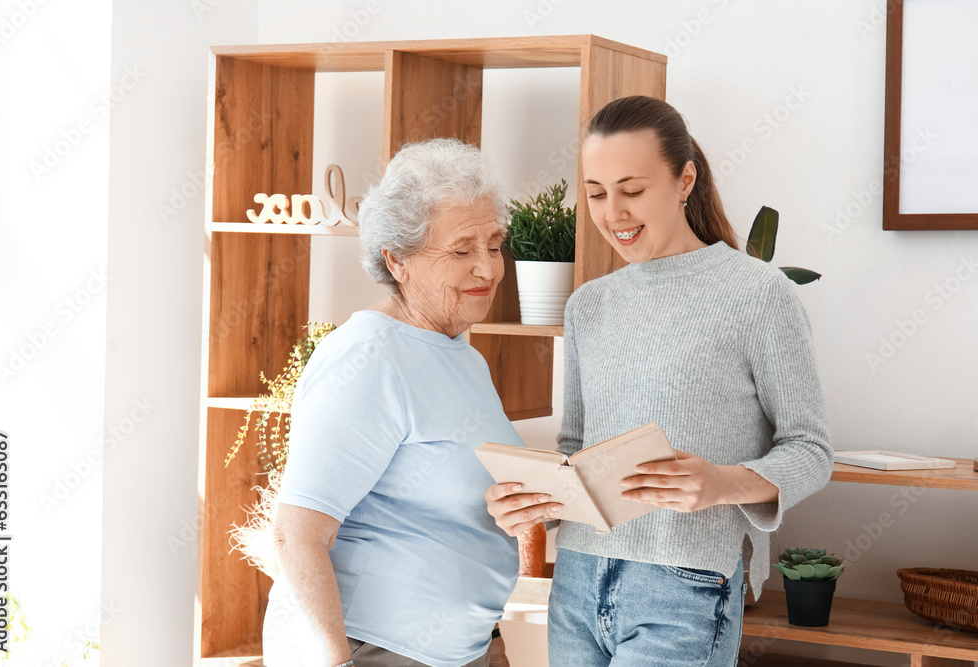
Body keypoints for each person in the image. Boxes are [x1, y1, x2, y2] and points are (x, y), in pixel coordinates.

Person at [485, 95, 833, 666]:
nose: (612, 212)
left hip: (685, 584)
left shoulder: (759, 295)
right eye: (596, 193)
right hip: (576, 579)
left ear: (684, 179)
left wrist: (723, 484)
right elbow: (577, 450)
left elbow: (811, 450)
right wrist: (539, 500)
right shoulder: (588, 306)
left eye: (632, 189)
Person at [263, 138, 520, 667]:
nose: (489, 269)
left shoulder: (462, 354)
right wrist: (336, 662)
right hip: (372, 648)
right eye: (461, 250)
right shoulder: (368, 358)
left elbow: (455, 518)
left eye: (493, 245)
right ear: (396, 260)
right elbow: (297, 535)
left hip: (456, 651)